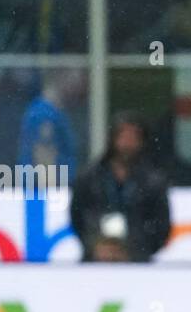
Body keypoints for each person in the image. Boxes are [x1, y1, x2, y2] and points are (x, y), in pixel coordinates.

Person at [70, 113, 170, 263]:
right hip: (96, 258)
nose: (128, 143)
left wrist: (137, 249)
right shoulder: (90, 177)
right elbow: (77, 216)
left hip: (137, 260)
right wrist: (94, 245)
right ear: (113, 138)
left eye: (133, 137)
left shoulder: (153, 182)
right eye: (123, 136)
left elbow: (161, 225)